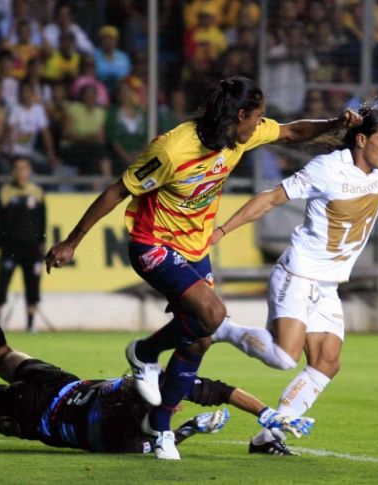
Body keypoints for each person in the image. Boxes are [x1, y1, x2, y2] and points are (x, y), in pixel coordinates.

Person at [44, 76, 360, 459]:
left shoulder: (244, 134)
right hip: (153, 241)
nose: (262, 123)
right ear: (240, 114)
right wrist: (73, 241)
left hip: (194, 249)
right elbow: (117, 190)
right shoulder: (173, 149)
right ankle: (144, 351)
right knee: (214, 313)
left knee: (201, 338)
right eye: (257, 116)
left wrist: (334, 125)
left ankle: (159, 428)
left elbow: (292, 133)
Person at [208, 73, 378, 450]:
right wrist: (223, 230)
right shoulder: (328, 169)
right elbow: (272, 198)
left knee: (327, 362)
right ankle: (224, 330)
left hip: (327, 284)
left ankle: (269, 436)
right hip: (298, 274)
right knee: (284, 357)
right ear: (361, 140)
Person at [0, 260, 314, 455]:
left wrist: (268, 411)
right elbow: (142, 441)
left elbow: (222, 390)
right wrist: (189, 431)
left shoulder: (161, 378)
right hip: (37, 415)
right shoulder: (153, 414)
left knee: (0, 351)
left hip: (63, 383)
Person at [0, 156, 46, 332]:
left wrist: (42, 242)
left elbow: (43, 220)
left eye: (25, 168)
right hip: (10, 247)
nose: (21, 172)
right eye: (18, 168)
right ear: (13, 171)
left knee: (33, 286)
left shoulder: (37, 192)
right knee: (2, 285)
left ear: (29, 171)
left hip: (32, 248)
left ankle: (30, 323)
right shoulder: (4, 192)